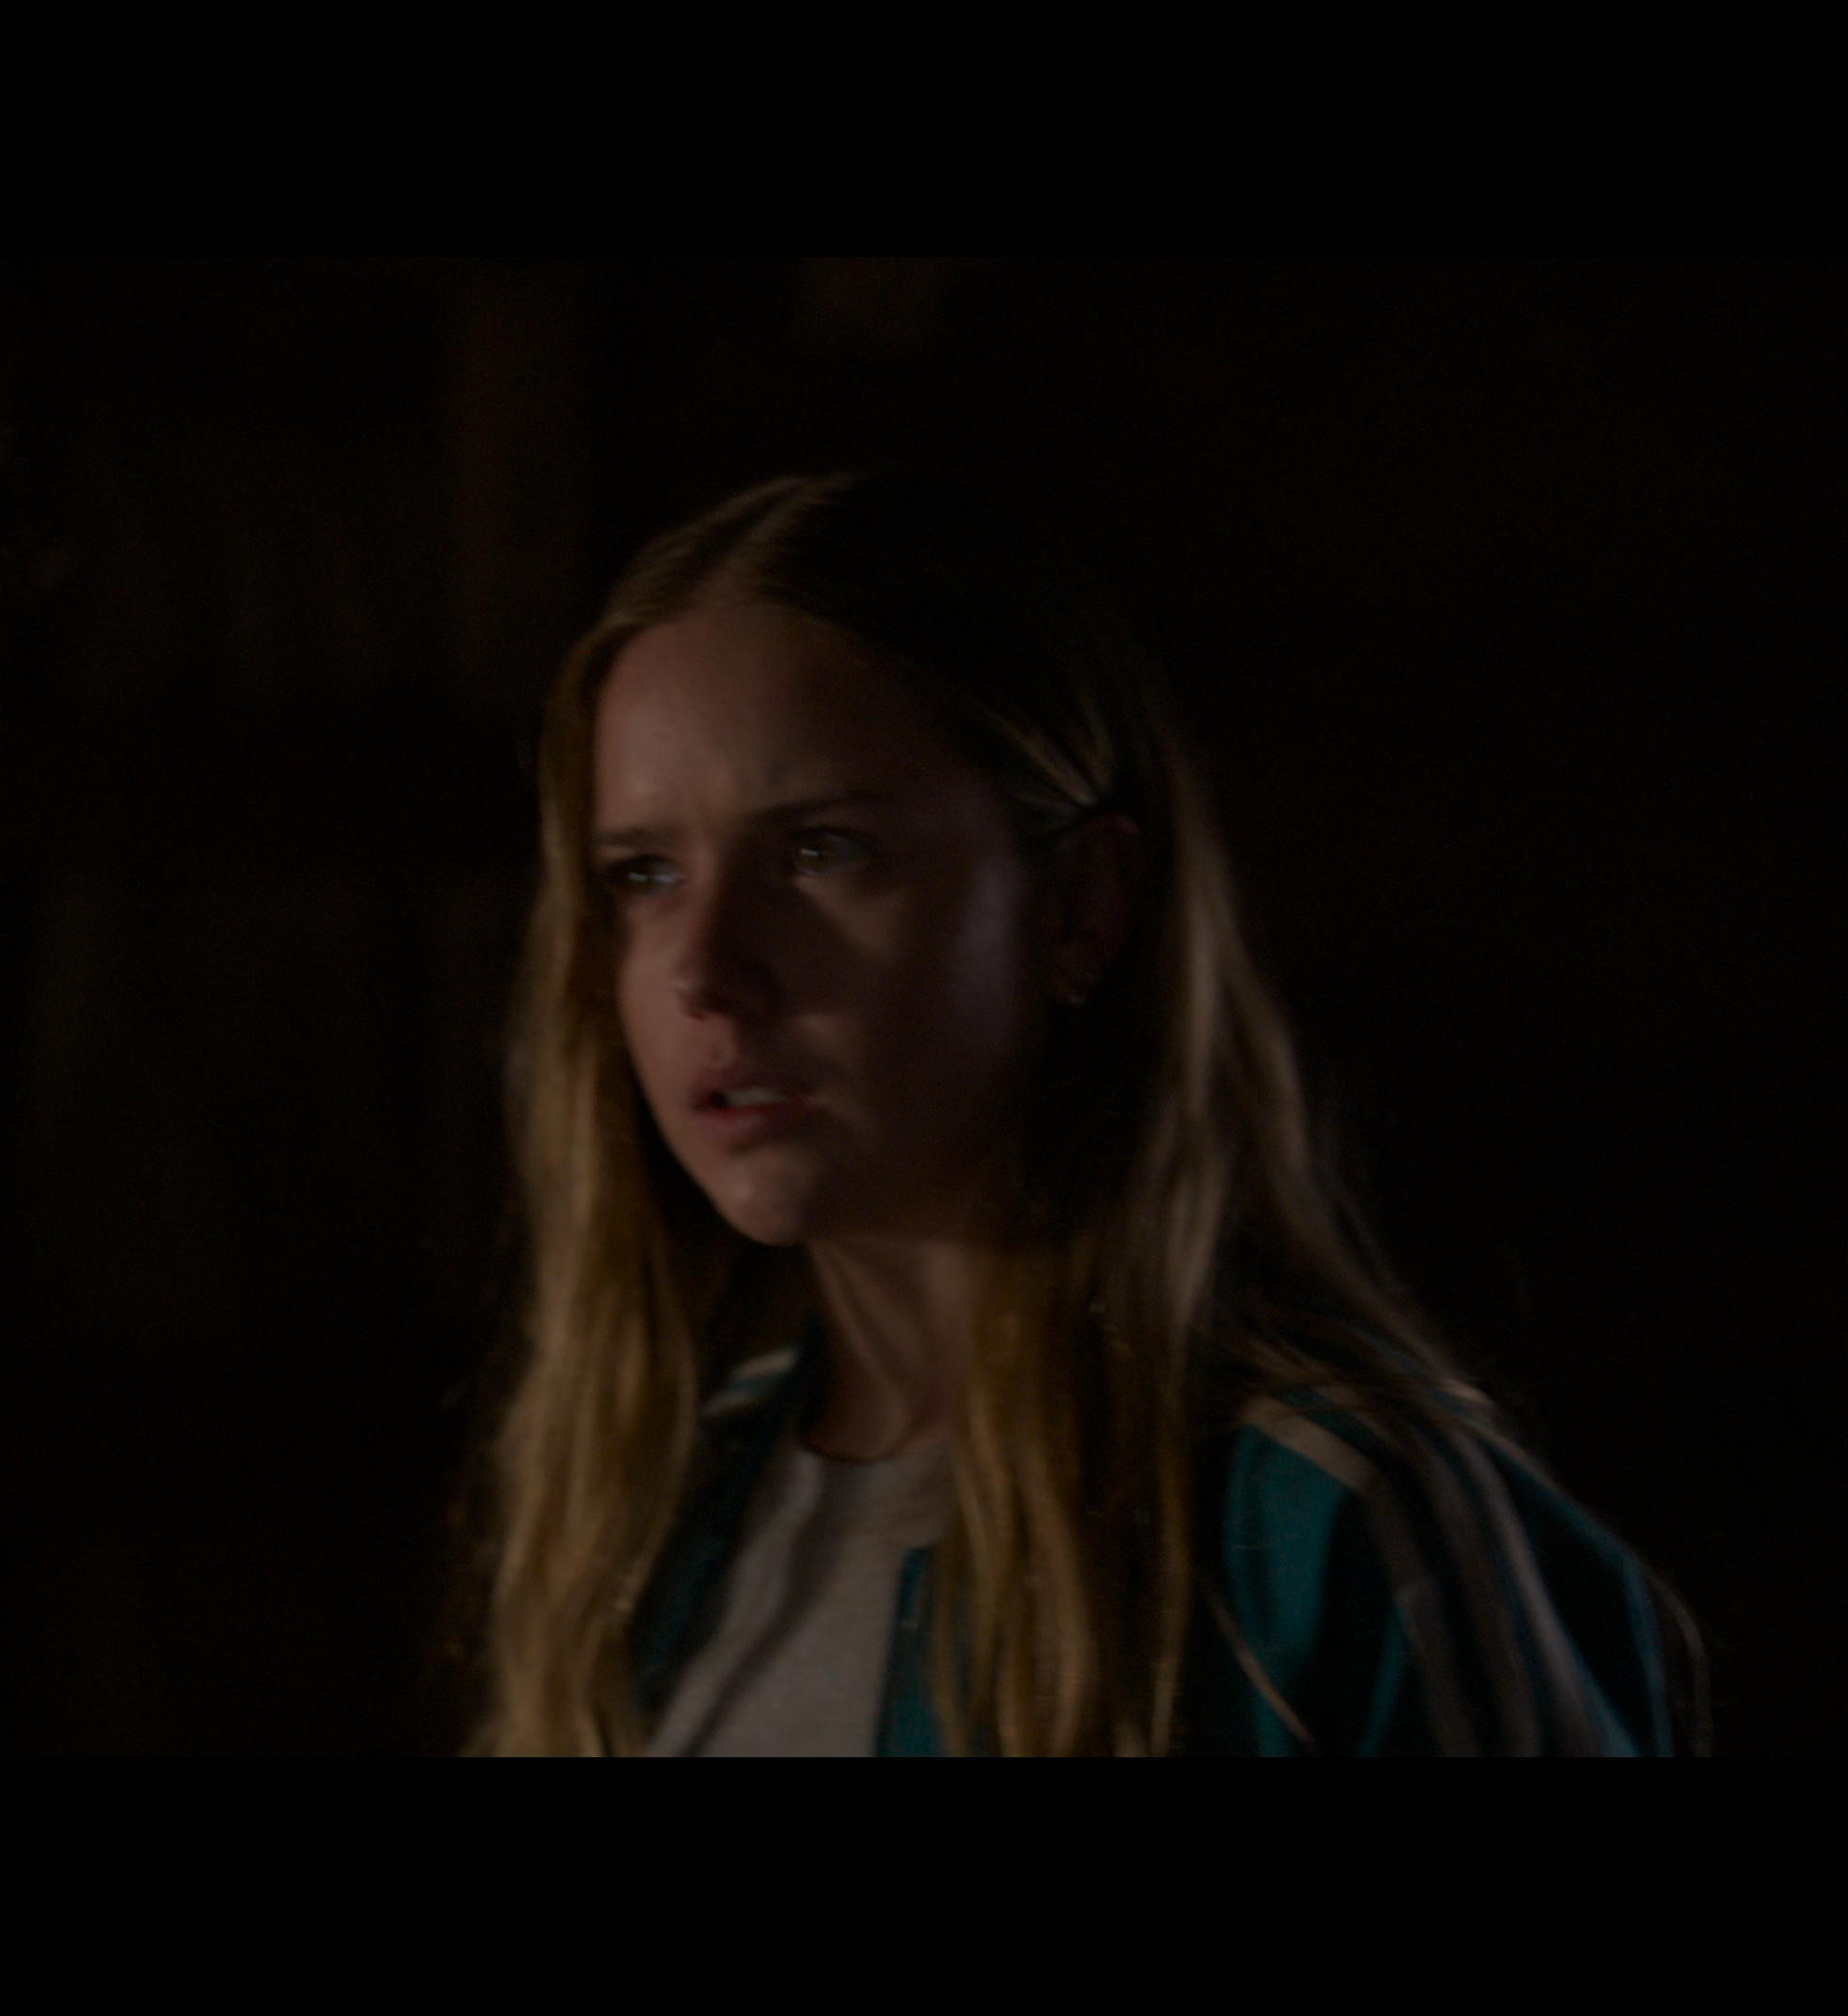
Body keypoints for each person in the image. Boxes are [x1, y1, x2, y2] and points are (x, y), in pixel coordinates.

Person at [469, 471, 1697, 1756]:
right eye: (645, 874)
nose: (707, 971)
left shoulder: (1328, 1529)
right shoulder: (664, 1516)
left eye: (821, 849)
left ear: (1080, 905)